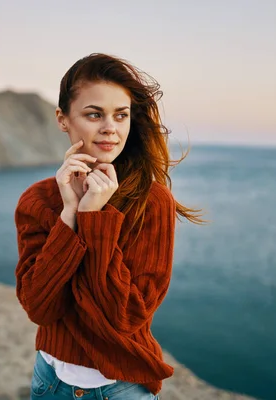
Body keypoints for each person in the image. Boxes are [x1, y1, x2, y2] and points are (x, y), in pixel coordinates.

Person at [14, 53, 204, 400]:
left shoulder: (152, 202)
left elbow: (125, 317)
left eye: (121, 115)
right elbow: (39, 307)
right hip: (49, 382)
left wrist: (95, 220)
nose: (110, 128)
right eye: (93, 114)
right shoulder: (38, 201)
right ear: (63, 119)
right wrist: (69, 214)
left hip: (121, 388)